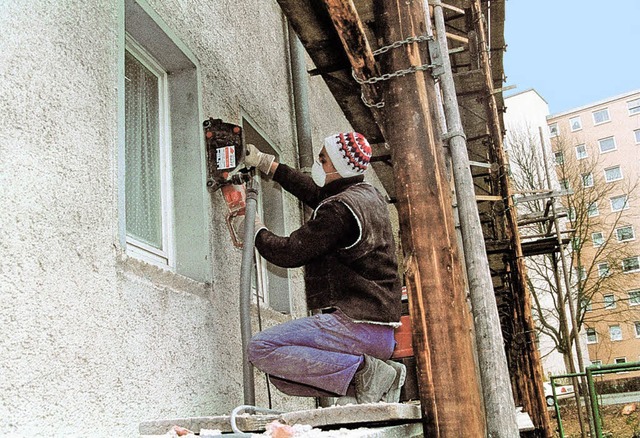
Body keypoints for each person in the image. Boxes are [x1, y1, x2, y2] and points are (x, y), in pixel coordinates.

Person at [243, 132, 405, 404]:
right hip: (381, 332)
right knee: (284, 373)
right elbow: (318, 194)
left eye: (323, 160)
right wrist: (270, 166)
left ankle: (363, 372)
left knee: (261, 348)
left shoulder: (340, 210)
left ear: (339, 167)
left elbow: (290, 252)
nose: (318, 164)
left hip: (356, 324)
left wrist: (254, 229)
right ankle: (370, 383)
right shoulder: (367, 195)